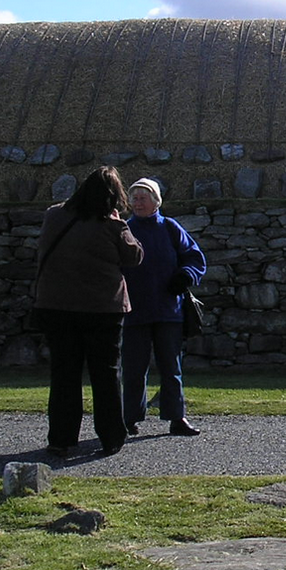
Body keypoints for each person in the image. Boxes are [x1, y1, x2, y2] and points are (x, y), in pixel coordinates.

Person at [32, 166, 143, 458]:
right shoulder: (110, 224)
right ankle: (111, 436)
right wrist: (122, 226)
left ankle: (61, 438)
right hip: (102, 308)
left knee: (64, 374)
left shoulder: (54, 215)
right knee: (106, 374)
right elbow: (134, 257)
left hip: (56, 305)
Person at [121, 177, 207, 437]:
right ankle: (129, 419)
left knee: (171, 367)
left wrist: (185, 276)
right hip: (134, 311)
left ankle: (177, 417)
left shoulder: (170, 227)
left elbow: (195, 258)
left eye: (143, 198)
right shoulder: (124, 229)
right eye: (134, 198)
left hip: (168, 310)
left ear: (156, 201)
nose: (138, 203)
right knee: (134, 369)